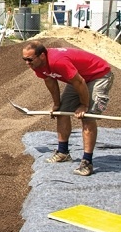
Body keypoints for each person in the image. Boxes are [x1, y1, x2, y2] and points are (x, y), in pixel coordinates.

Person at [22, 40, 114, 176]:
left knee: (87, 116)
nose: (27, 63)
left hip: (98, 76)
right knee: (61, 112)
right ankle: (63, 152)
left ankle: (87, 162)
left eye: (29, 59)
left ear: (42, 56)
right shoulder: (38, 66)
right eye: (24, 59)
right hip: (78, 78)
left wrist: (84, 105)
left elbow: (79, 82)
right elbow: (50, 80)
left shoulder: (58, 61)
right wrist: (57, 104)